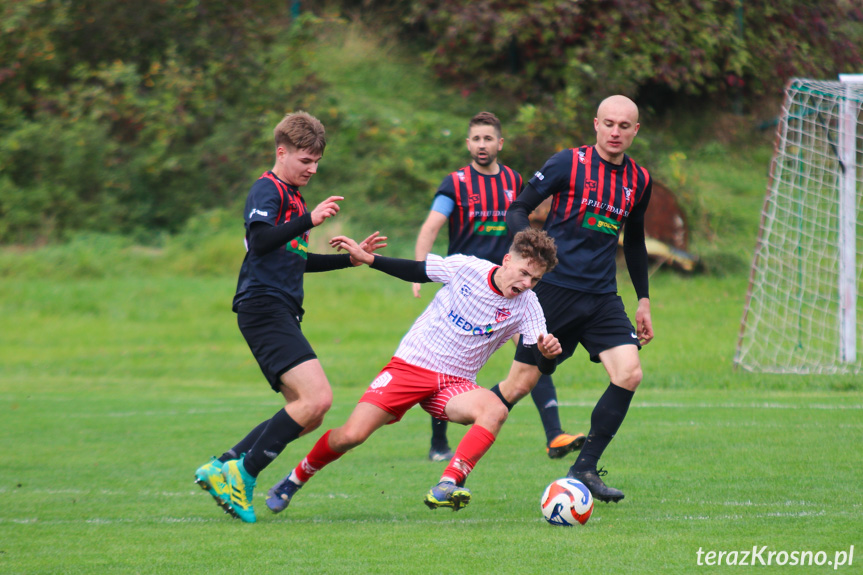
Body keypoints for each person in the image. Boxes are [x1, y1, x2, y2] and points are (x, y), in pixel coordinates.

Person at [264, 228, 561, 513]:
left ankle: (448, 483)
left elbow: (540, 362)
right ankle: (295, 479)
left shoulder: (528, 306)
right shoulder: (466, 268)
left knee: (496, 409)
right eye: (524, 273)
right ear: (507, 260)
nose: (526, 283)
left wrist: (547, 355)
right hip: (411, 366)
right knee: (351, 435)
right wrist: (371, 260)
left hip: (454, 384)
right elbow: (418, 270)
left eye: (535, 279)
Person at [192, 111, 386, 523]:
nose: (312, 169)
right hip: (263, 305)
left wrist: (350, 263)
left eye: (317, 162)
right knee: (319, 399)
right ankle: (242, 475)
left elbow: (294, 258)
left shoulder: (293, 197)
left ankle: (224, 464)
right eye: (305, 160)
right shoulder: (268, 189)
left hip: (277, 306)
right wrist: (309, 219)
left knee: (308, 413)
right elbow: (260, 242)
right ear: (282, 152)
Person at [493, 95, 654, 503]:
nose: (616, 132)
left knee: (629, 373)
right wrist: (525, 254)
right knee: (519, 385)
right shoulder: (567, 163)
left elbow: (633, 241)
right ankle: (455, 469)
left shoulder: (640, 180)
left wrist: (644, 299)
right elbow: (519, 208)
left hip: (601, 298)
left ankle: (584, 467)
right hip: (553, 293)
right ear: (596, 124)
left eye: (625, 126)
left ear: (635, 131)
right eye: (609, 124)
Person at [413, 111, 582, 463]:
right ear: (468, 143)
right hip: (468, 291)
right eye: (476, 138)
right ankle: (438, 443)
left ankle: (555, 435)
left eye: (488, 138)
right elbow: (432, 225)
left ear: (499, 143)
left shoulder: (512, 180)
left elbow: (528, 218)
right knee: (448, 365)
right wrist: (420, 269)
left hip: (510, 290)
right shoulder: (455, 183)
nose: (482, 145)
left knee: (533, 351)